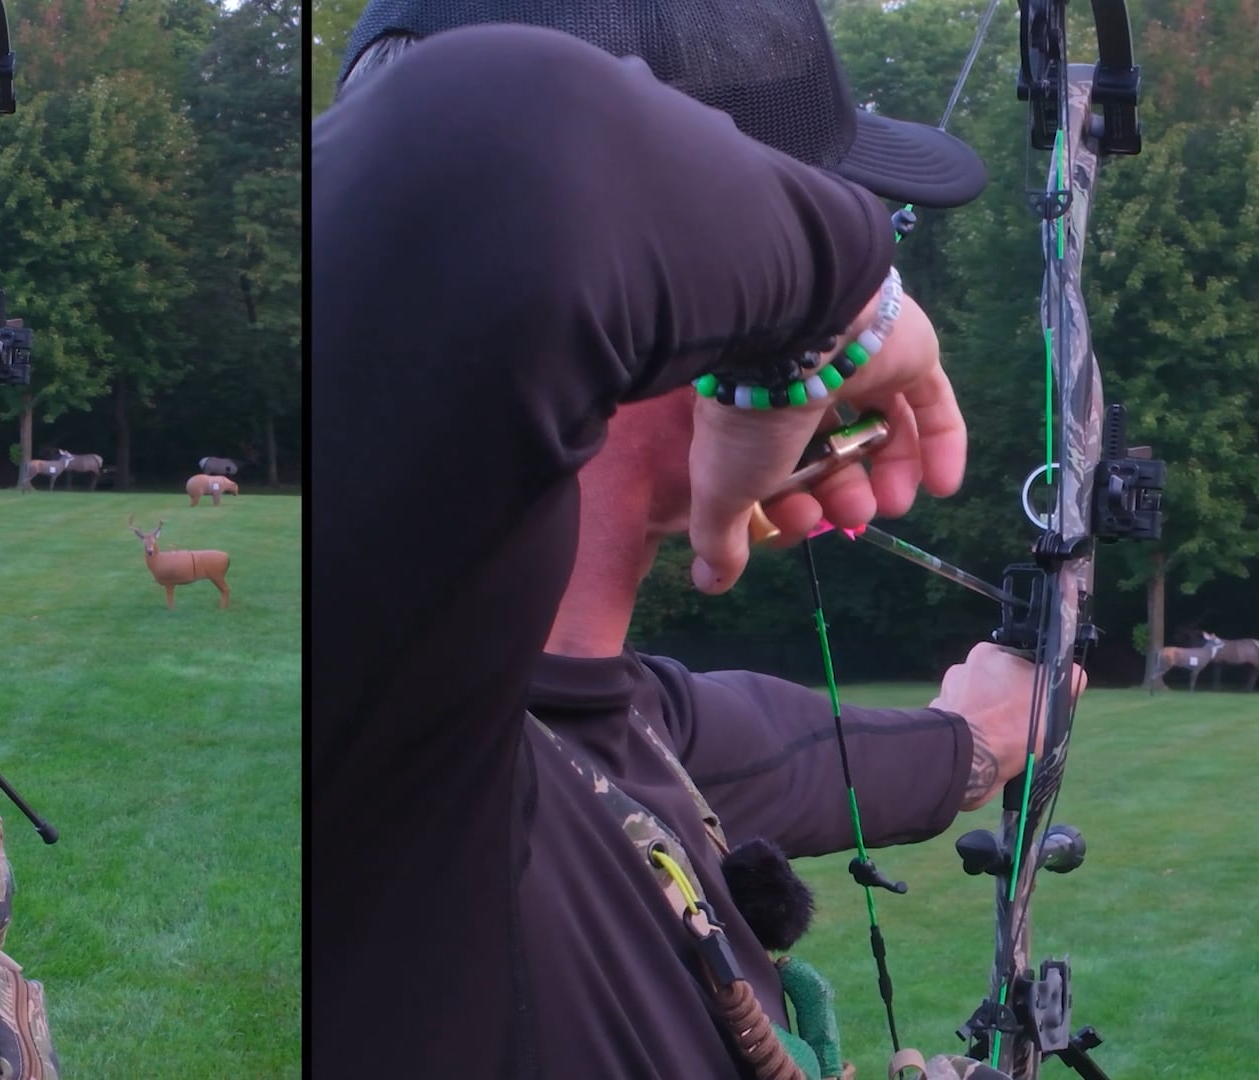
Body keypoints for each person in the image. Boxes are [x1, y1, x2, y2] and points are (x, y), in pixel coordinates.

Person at [312, 0, 1079, 1076]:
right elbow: (489, 138)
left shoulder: (610, 717)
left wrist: (987, 734)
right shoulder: (406, 748)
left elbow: (789, 754)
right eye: (807, 217)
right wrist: (823, 331)